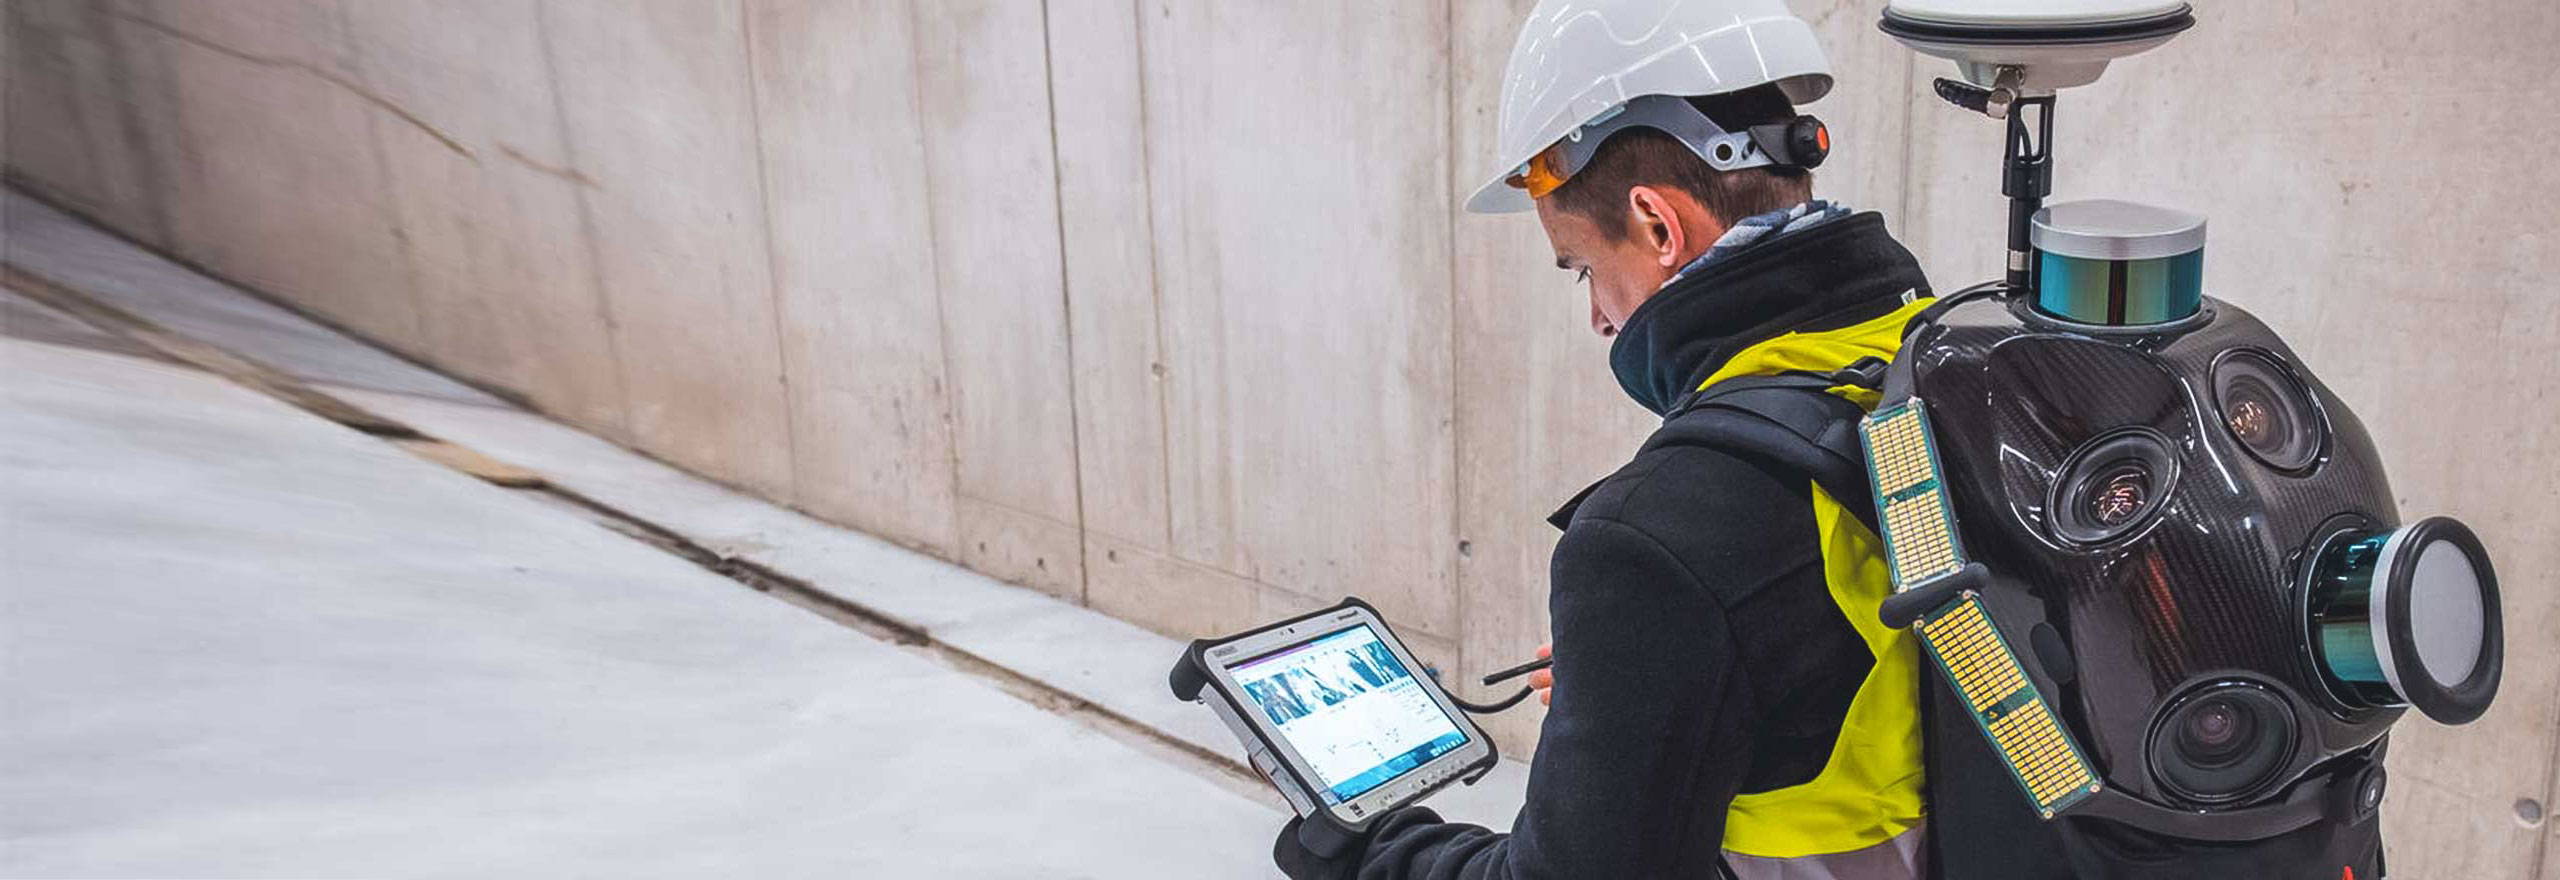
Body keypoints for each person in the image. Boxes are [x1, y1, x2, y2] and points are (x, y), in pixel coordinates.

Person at [1271, 2, 1939, 878]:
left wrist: (1371, 854)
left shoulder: (1659, 535)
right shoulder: (1947, 362)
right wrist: (1663, 672)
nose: (1596, 316)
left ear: (1658, 226)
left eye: (1584, 268)